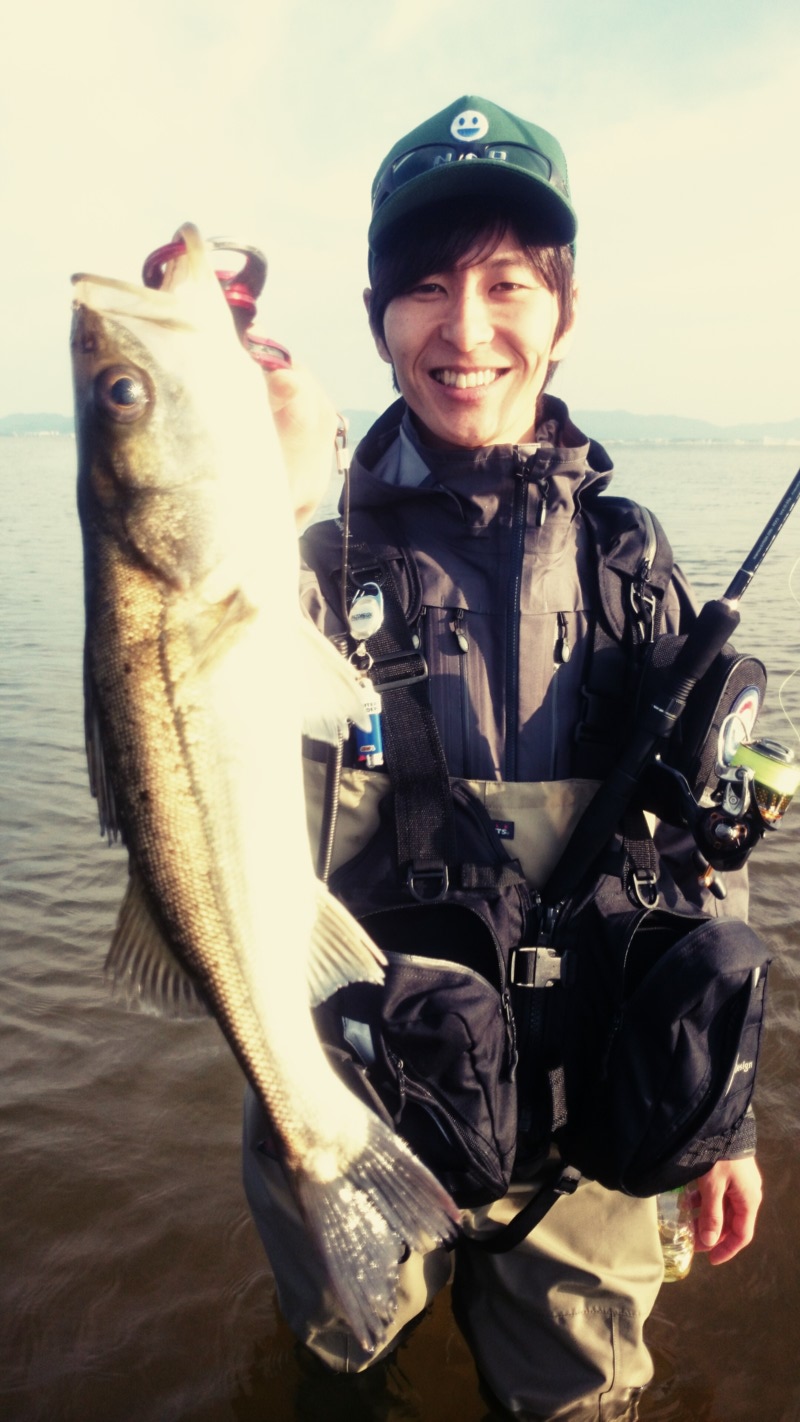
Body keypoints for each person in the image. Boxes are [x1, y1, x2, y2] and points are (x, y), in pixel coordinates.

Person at [246, 96, 763, 1420]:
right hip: (354, 1103)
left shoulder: (635, 567)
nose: (464, 329)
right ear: (376, 320)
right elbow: (206, 809)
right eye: (425, 287)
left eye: (506, 283)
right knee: (348, 1377)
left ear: (566, 310)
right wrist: (258, 496)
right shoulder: (295, 568)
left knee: (584, 1400)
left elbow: (696, 848)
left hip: (589, 1123)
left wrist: (722, 1115)